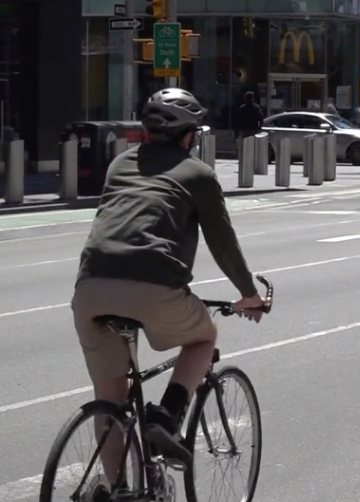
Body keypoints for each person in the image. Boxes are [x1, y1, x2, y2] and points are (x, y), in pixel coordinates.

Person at [71, 88, 267, 481]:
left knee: (109, 399)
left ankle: (116, 488)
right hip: (154, 285)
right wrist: (249, 294)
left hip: (89, 288)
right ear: (190, 135)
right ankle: (166, 417)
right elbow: (223, 244)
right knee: (204, 335)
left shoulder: (119, 165)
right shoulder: (197, 173)